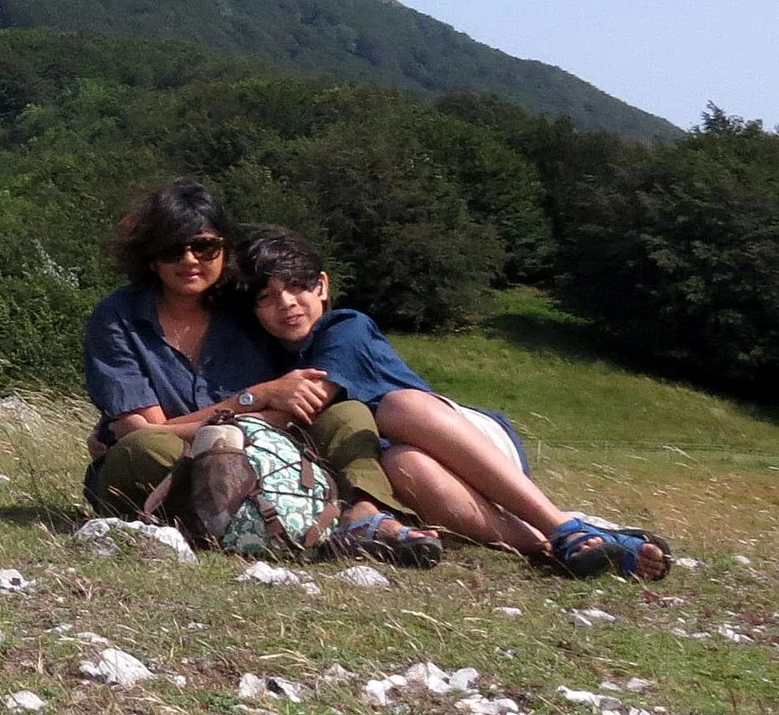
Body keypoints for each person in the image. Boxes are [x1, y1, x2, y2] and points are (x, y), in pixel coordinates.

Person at [236, 225, 672, 580]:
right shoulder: (275, 361)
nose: (286, 303)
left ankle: (562, 524)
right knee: (404, 463)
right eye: (267, 297)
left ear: (324, 287)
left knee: (398, 407)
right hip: (415, 472)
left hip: (469, 443)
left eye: (297, 287)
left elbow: (307, 403)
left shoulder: (345, 327)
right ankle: (562, 546)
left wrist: (246, 403)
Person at [82, 180, 438, 565]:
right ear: (151, 258)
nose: (189, 260)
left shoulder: (247, 310)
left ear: (223, 249)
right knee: (155, 448)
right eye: (172, 249)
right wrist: (251, 400)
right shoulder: (118, 318)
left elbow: (297, 398)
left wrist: (267, 411)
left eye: (203, 246)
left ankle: (365, 515)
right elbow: (145, 432)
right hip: (166, 466)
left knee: (345, 414)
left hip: (258, 457)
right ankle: (266, 525)